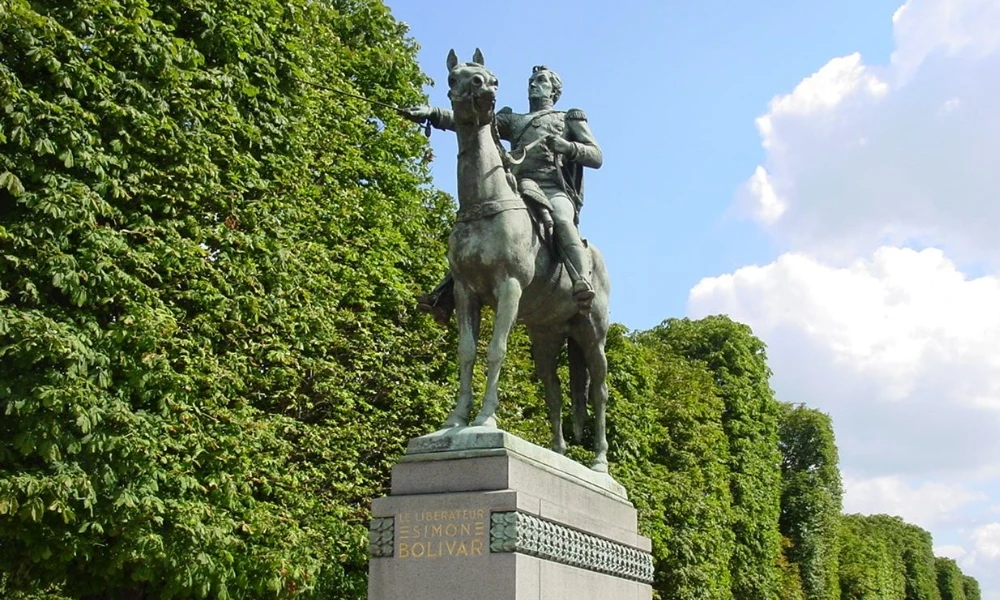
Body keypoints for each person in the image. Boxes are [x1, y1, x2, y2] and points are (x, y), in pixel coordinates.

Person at [402, 65, 603, 325]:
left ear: (554, 90)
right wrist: (432, 113)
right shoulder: (514, 120)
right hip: (517, 186)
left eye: (541, 81)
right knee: (480, 231)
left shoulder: (568, 118)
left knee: (562, 219)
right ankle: (445, 295)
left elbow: (596, 155)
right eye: (531, 80)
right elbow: (471, 118)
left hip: (552, 188)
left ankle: (580, 280)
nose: (533, 85)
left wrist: (567, 146)